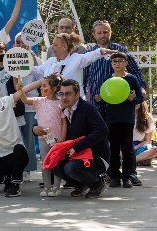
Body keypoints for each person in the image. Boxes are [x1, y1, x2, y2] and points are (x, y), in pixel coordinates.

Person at [50, 79, 110, 198]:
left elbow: (102, 130)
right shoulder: (64, 111)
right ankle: (82, 185)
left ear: (77, 94)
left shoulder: (87, 108)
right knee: (54, 165)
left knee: (70, 168)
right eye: (61, 94)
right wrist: (35, 129)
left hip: (96, 156)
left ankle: (97, 183)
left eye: (68, 93)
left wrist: (78, 146)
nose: (64, 97)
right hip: (76, 155)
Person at [84, 20, 147, 119]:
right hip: (97, 101)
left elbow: (135, 71)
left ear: (110, 32)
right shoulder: (89, 53)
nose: (102, 35)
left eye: (105, 32)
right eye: (99, 33)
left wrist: (141, 88)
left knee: (118, 132)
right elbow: (84, 76)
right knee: (100, 132)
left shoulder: (120, 50)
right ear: (94, 34)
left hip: (119, 102)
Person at [18, 74, 66, 197]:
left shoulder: (60, 104)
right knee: (45, 163)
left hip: (57, 139)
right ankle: (47, 187)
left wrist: (62, 137)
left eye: (44, 86)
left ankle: (56, 187)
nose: (41, 88)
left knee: (56, 162)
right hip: (43, 138)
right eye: (41, 86)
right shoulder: (39, 101)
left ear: (54, 88)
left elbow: (64, 121)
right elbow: (24, 100)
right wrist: (20, 90)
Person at [104, 52, 143, 188]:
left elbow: (140, 98)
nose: (117, 64)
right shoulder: (108, 79)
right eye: (115, 62)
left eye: (120, 61)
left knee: (127, 148)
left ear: (126, 63)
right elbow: (105, 96)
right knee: (113, 148)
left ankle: (128, 176)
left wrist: (133, 99)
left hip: (127, 118)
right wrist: (100, 98)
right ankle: (114, 176)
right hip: (112, 119)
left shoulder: (131, 79)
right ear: (111, 64)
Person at [30, 33, 117, 91]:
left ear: (64, 47)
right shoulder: (50, 61)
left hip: (73, 109)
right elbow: (34, 70)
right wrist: (19, 65)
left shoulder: (76, 59)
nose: (52, 47)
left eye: (55, 45)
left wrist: (103, 51)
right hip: (54, 108)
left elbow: (92, 55)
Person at [133, 102, 157, 169]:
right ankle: (140, 160)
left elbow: (147, 140)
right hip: (125, 146)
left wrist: (135, 147)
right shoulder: (123, 116)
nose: (136, 102)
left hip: (140, 146)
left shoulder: (148, 117)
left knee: (155, 150)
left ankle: (131, 160)